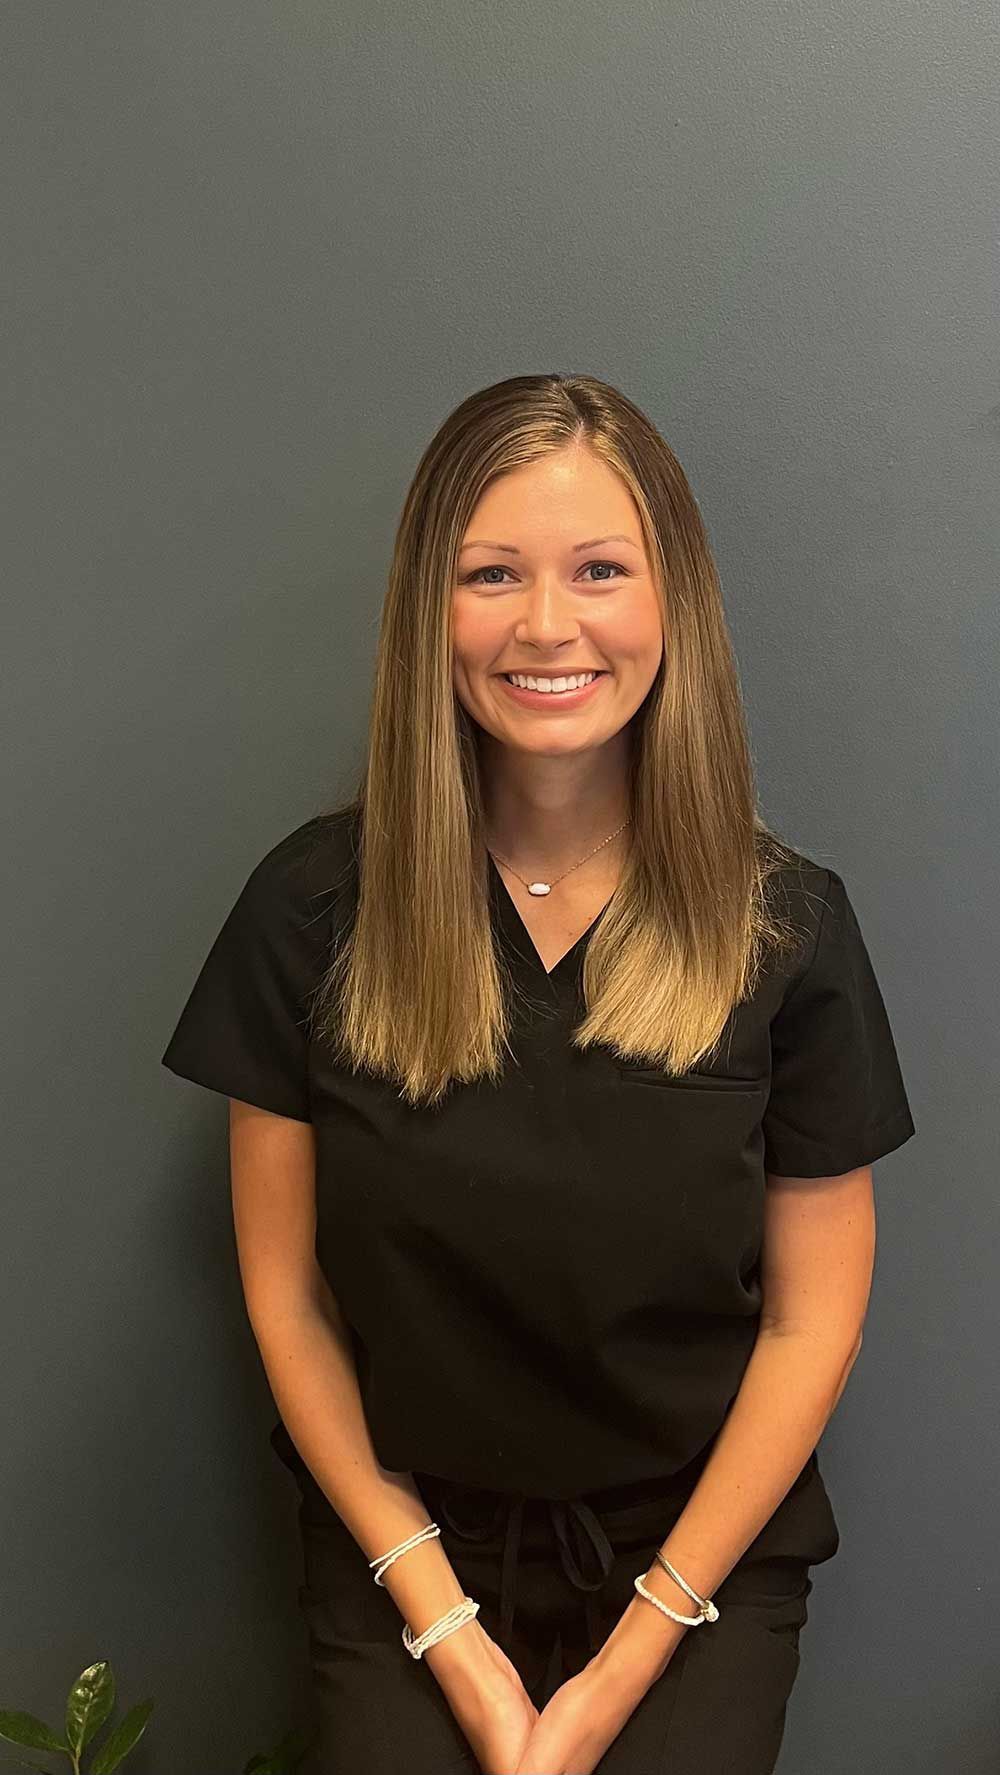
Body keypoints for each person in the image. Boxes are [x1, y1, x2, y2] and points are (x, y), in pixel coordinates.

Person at [161, 373, 916, 1774]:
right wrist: (444, 1627)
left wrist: (631, 1655)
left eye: (599, 571)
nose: (547, 625)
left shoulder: (790, 930)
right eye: (491, 574)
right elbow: (286, 1296)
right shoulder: (310, 910)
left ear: (670, 601)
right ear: (425, 613)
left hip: (699, 1568)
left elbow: (816, 1327)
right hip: (404, 1547)